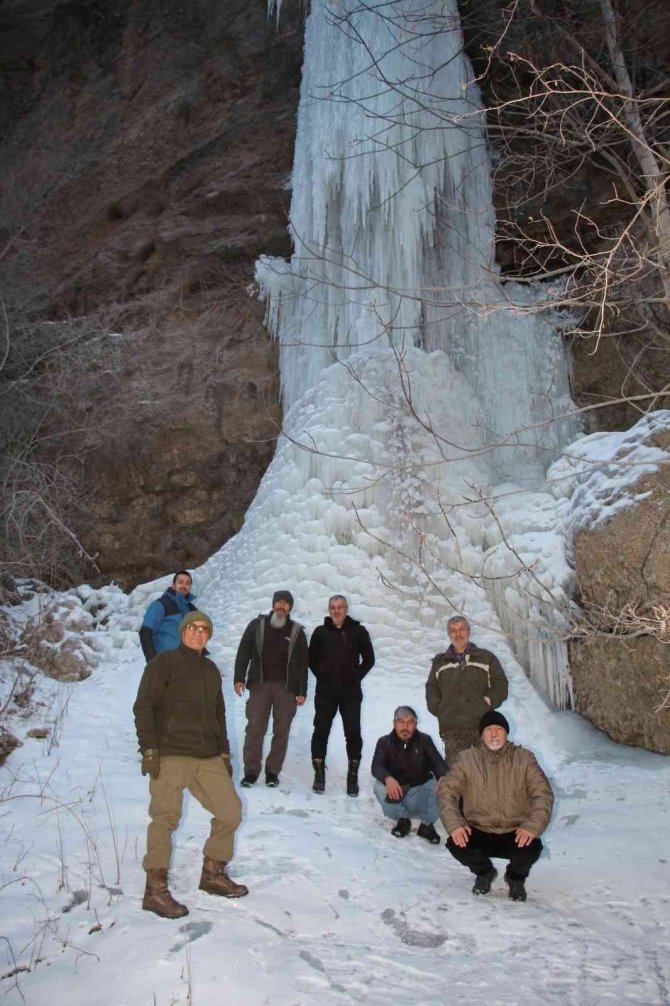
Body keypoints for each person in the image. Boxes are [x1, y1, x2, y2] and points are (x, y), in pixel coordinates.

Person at [133, 610, 248, 919]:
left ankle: (212, 874)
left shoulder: (211, 671)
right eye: (193, 627)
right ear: (183, 631)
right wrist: (149, 749)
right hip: (171, 753)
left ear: (208, 635)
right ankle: (154, 891)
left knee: (230, 811)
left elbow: (218, 716)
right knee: (166, 818)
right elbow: (144, 706)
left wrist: (224, 754)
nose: (198, 632)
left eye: (204, 629)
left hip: (207, 756)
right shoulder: (164, 663)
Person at [437, 710, 554, 901]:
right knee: (456, 843)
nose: (493, 734)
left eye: (498, 729)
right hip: (479, 828)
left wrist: (532, 827)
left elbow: (543, 794)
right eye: (489, 730)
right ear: (481, 735)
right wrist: (456, 824)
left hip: (515, 830)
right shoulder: (467, 759)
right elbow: (446, 793)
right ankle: (484, 873)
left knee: (532, 848)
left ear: (506, 733)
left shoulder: (524, 758)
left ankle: (515, 878)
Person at [234, 590, 308, 788]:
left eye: (286, 604)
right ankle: (250, 772)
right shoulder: (257, 625)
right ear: (273, 604)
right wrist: (239, 677)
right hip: (260, 685)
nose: (281, 606)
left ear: (290, 608)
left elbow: (303, 663)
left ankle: (272, 772)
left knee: (281, 730)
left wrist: (302, 691)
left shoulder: (297, 631)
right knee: (255, 728)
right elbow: (244, 651)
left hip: (286, 689)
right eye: (279, 603)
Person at [309, 594, 375, 796]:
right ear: (329, 610)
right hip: (325, 692)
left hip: (351, 692)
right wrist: (322, 676)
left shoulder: (358, 631)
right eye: (332, 607)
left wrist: (356, 677)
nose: (336, 610)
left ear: (346, 609)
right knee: (321, 731)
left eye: (340, 607)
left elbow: (369, 659)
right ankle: (319, 774)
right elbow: (310, 659)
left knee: (353, 732)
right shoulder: (320, 632)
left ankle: (352, 776)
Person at [425, 615, 508, 761]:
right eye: (453, 631)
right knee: (457, 774)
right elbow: (431, 688)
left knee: (485, 771)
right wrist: (438, 708)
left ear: (468, 631)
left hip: (481, 726)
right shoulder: (440, 662)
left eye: (461, 629)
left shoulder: (486, 658)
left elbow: (500, 684)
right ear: (449, 634)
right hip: (452, 729)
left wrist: (487, 702)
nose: (458, 634)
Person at [371, 706, 447, 844]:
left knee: (443, 784)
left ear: (415, 725)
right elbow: (376, 766)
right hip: (396, 797)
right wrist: (388, 779)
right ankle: (402, 821)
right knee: (378, 787)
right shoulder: (384, 742)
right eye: (401, 722)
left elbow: (437, 762)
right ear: (394, 724)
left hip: (420, 796)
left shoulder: (425, 740)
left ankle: (427, 825)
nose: (405, 727)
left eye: (410, 722)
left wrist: (442, 776)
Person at [139, 570, 197, 661]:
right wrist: (152, 661)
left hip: (187, 664)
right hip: (164, 663)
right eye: (180, 582)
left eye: (187, 583)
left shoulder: (192, 610)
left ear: (190, 587)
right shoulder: (160, 605)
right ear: (173, 585)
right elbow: (145, 632)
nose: (184, 586)